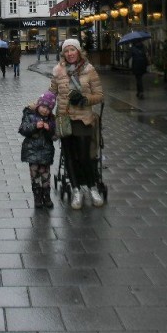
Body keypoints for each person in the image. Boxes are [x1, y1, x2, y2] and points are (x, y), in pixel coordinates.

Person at [49, 38, 105, 209]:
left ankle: (92, 187)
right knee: (69, 156)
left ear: (79, 51)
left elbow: (99, 95)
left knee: (84, 156)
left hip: (83, 119)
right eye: (66, 51)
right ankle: (76, 190)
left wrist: (85, 100)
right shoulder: (58, 70)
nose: (69, 53)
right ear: (63, 53)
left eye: (72, 50)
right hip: (64, 119)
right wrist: (39, 106)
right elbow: (51, 93)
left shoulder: (89, 70)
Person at [18, 91, 57, 209]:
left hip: (46, 152)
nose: (45, 110)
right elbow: (23, 129)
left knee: (45, 175)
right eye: (43, 107)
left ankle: (47, 196)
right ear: (39, 105)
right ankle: (37, 197)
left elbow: (55, 136)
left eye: (48, 109)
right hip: (32, 151)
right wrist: (35, 126)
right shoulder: (29, 115)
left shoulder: (51, 119)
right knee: (35, 175)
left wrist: (49, 129)